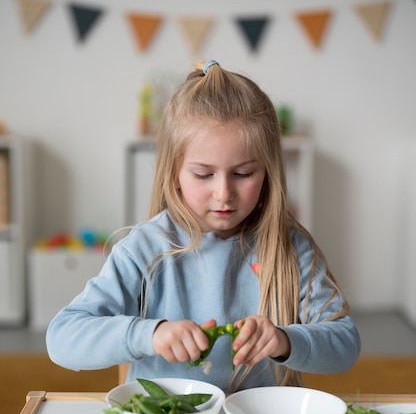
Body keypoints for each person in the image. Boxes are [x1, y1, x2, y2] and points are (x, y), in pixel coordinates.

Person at [46, 59, 361, 391]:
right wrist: (148, 334)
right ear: (174, 174)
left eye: (244, 173)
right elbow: (63, 338)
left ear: (268, 171)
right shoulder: (143, 249)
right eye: (203, 174)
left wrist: (285, 340)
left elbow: (345, 344)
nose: (224, 193)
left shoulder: (291, 246)